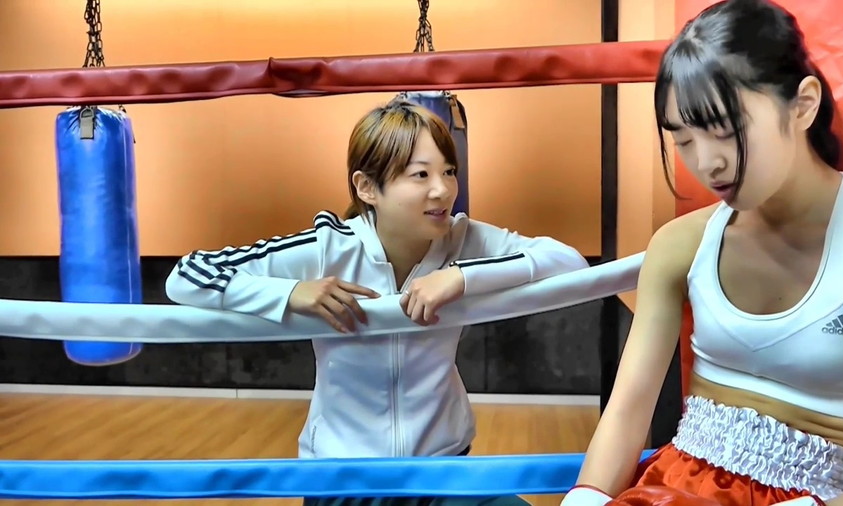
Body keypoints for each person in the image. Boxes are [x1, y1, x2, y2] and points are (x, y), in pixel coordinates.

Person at [165, 99, 589, 505]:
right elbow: (187, 274)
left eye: (449, 171)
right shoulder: (327, 247)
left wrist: (462, 276)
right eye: (420, 175)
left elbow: (569, 261)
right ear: (367, 187)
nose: (442, 190)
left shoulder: (465, 240)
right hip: (344, 475)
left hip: (443, 468)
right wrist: (290, 293)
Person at [561, 1, 843, 505]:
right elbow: (627, 412)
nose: (707, 163)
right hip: (671, 489)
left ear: (803, 105)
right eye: (683, 139)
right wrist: (585, 498)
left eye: (724, 130)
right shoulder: (681, 243)